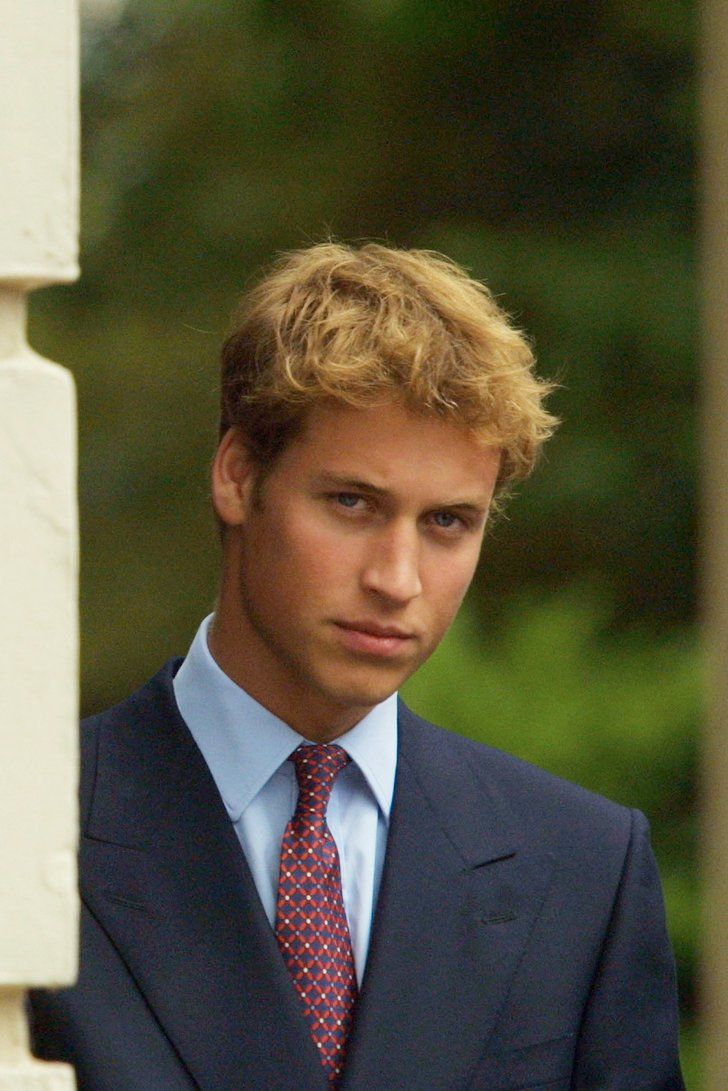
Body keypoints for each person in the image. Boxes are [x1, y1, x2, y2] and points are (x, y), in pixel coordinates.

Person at [30, 242, 685, 1089]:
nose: (397, 579)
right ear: (237, 474)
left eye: (448, 522)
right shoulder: (28, 830)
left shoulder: (586, 871)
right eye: (352, 503)